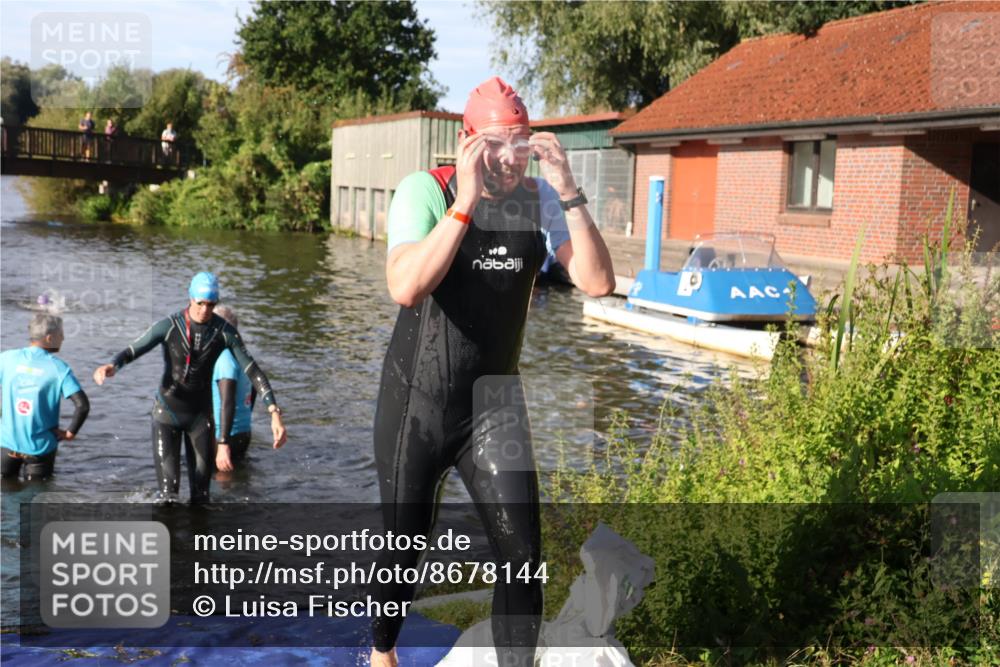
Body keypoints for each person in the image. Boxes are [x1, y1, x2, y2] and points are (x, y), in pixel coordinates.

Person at [369, 76, 615, 667]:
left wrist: (568, 188)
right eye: (496, 143)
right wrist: (465, 203)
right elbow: (405, 286)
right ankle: (382, 653)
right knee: (404, 549)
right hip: (416, 404)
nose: (508, 159)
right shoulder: (423, 191)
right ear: (467, 140)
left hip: (495, 407)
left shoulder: (540, 199)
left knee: (522, 555)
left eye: (521, 143)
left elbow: (598, 282)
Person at [92, 273, 287, 503]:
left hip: (200, 419)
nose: (205, 310)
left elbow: (254, 371)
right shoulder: (170, 326)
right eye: (200, 303)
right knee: (168, 497)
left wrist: (274, 412)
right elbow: (135, 349)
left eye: (211, 305)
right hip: (167, 414)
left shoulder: (224, 332)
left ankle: (199, 540)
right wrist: (113, 365)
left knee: (201, 499)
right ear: (190, 298)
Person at [1, 314, 90, 481]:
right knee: (36, 497)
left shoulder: (6, 359)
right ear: (49, 338)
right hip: (40, 449)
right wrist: (70, 433)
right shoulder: (59, 368)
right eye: (61, 334)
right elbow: (82, 405)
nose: (63, 338)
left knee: (5, 491)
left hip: (7, 444)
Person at [211, 305, 255, 477]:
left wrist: (223, 442)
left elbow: (227, 401)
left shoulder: (224, 360)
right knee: (237, 477)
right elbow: (254, 391)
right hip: (243, 431)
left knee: (222, 480)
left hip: (225, 434)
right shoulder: (243, 356)